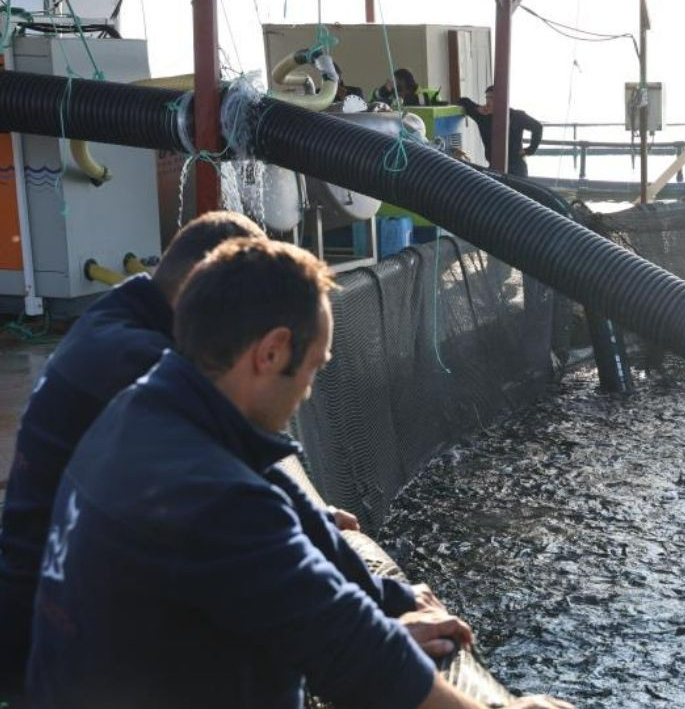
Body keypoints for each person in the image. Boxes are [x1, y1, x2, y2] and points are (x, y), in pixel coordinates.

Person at [25, 238, 572, 709]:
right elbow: (354, 657)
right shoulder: (214, 496)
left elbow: (298, 598)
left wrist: (382, 617)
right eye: (313, 368)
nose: (306, 391)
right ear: (271, 352)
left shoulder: (132, 417)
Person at [0, 212, 433, 701]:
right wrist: (381, 604)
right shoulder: (142, 365)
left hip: (66, 616)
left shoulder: (113, 323)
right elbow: (260, 489)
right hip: (60, 628)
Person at [456, 85, 543, 177]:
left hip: (516, 167)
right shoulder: (483, 115)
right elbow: (463, 101)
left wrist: (530, 150)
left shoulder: (516, 116)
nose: (489, 101)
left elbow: (537, 127)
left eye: (492, 98)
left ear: (502, 99)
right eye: (487, 98)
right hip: (494, 166)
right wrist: (478, 108)